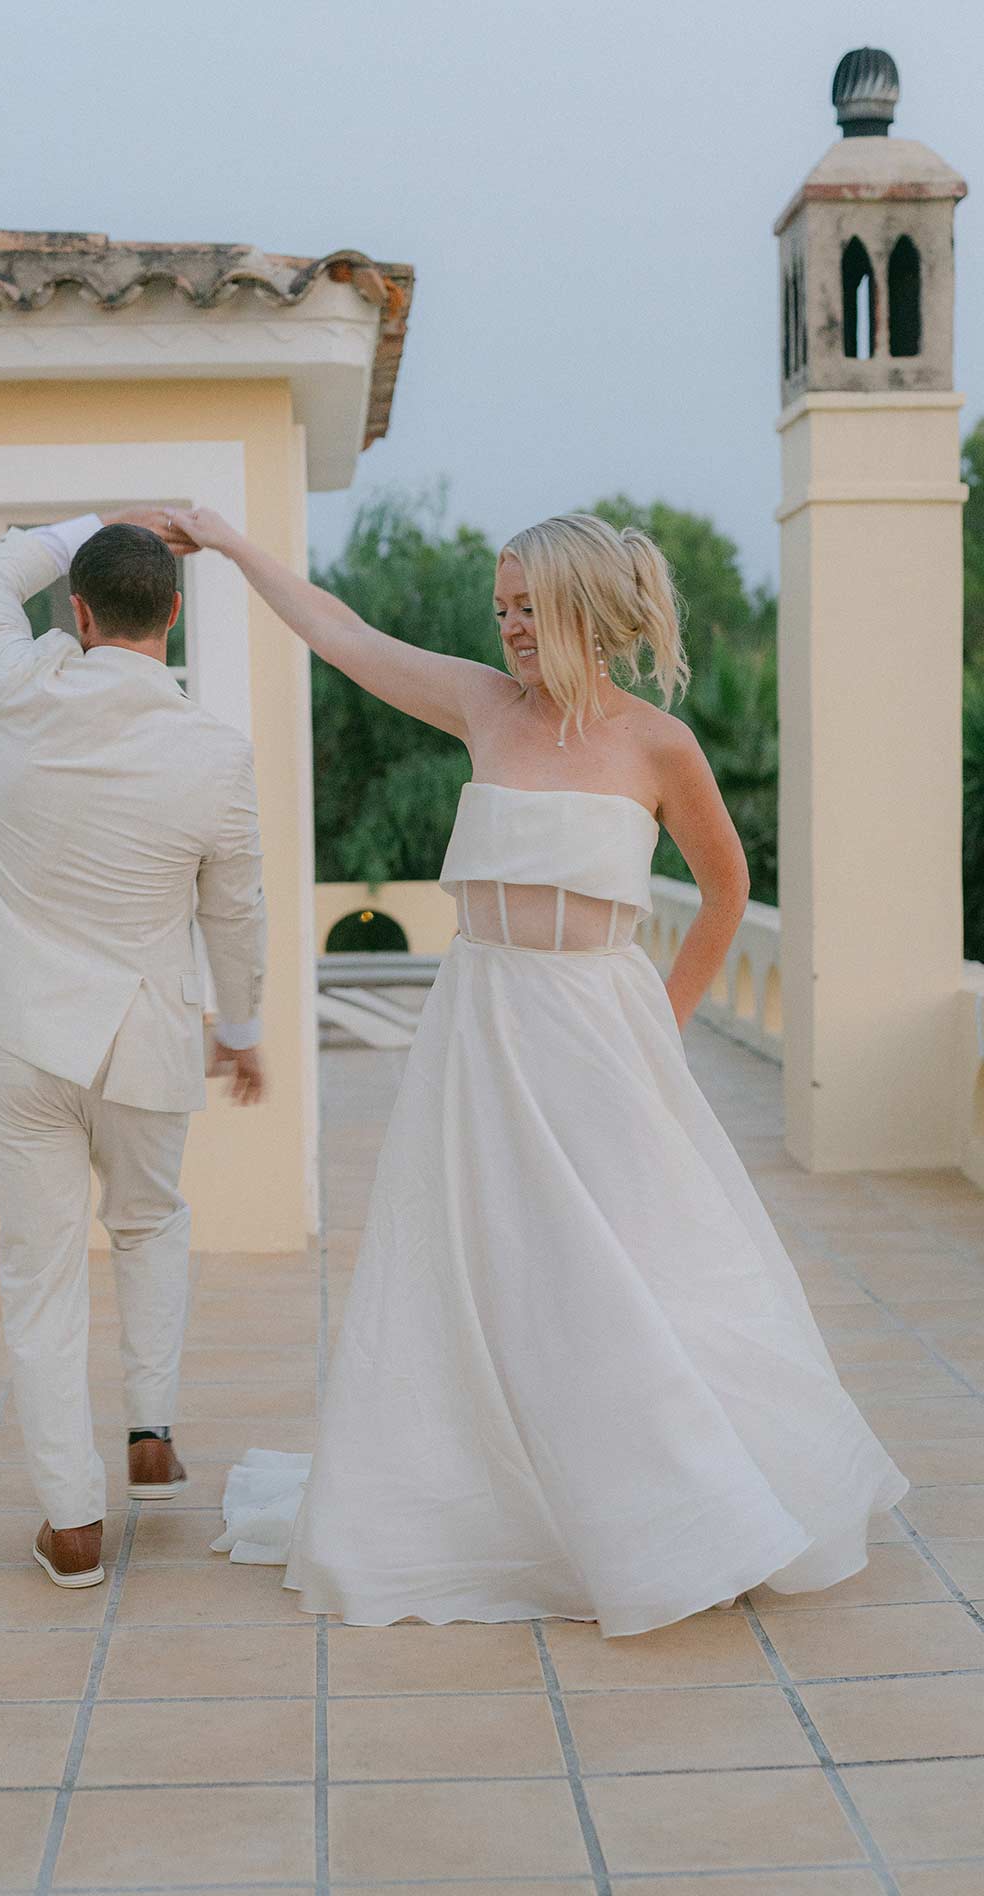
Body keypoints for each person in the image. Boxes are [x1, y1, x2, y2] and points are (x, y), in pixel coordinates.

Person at [158, 502, 907, 1639]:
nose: (508, 625)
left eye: (527, 606)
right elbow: (342, 634)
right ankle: (513, 1502)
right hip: (482, 1025)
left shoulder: (658, 744)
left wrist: (663, 1022)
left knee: (642, 1264)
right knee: (491, 1263)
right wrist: (227, 539)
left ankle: (702, 1509)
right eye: (500, 606)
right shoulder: (482, 706)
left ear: (581, 611)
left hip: (602, 1027)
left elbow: (726, 891)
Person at [0, 511, 267, 1588]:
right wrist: (241, 1029)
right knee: (149, 1223)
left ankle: (72, 1525)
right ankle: (151, 1433)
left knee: (43, 1274)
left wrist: (97, 522)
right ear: (175, 614)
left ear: (77, 611)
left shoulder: (21, 691)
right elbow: (236, 913)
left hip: (20, 1039)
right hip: (146, 1042)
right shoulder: (217, 754)